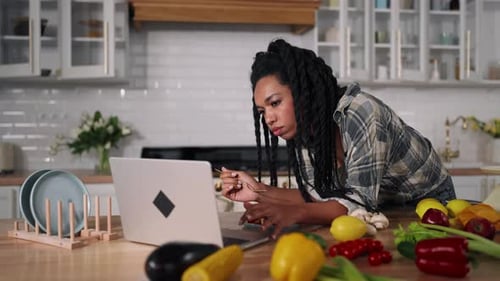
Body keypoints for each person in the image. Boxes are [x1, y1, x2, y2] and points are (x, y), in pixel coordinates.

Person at [219, 38, 455, 238]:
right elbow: (318, 196)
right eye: (263, 111)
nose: (269, 118)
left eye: (275, 103)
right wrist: (258, 190)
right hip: (383, 205)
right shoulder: (305, 134)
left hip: (428, 201)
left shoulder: (361, 112)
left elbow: (359, 201)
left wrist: (294, 213)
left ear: (304, 92)